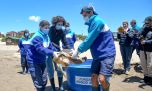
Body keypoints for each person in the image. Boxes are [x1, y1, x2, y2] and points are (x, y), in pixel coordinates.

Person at [72, 5, 116, 91]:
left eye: (84, 15)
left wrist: (78, 50)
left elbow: (89, 39)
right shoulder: (91, 24)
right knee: (93, 77)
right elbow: (91, 42)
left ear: (91, 12)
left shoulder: (98, 21)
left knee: (102, 79)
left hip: (107, 55)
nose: (83, 17)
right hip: (97, 56)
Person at [27, 20, 58, 91]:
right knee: (37, 79)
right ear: (40, 27)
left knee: (44, 78)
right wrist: (52, 53)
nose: (47, 29)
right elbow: (40, 49)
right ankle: (40, 89)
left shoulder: (47, 37)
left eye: (48, 27)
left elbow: (50, 46)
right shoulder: (37, 36)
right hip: (33, 61)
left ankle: (42, 88)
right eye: (45, 27)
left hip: (43, 60)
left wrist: (57, 51)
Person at [46, 16, 70, 91]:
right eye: (58, 24)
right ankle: (53, 88)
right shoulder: (50, 30)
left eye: (61, 24)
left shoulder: (62, 31)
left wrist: (69, 48)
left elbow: (64, 41)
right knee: (50, 70)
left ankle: (60, 86)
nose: (60, 25)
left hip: (57, 51)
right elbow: (49, 41)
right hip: (49, 51)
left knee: (60, 68)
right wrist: (57, 47)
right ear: (55, 23)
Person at [138, 16, 152, 85]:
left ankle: (150, 78)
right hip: (142, 49)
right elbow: (138, 34)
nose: (146, 23)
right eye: (145, 22)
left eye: (147, 22)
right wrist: (139, 37)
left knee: (150, 64)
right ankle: (145, 77)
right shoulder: (143, 28)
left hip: (150, 50)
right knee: (143, 64)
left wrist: (146, 42)